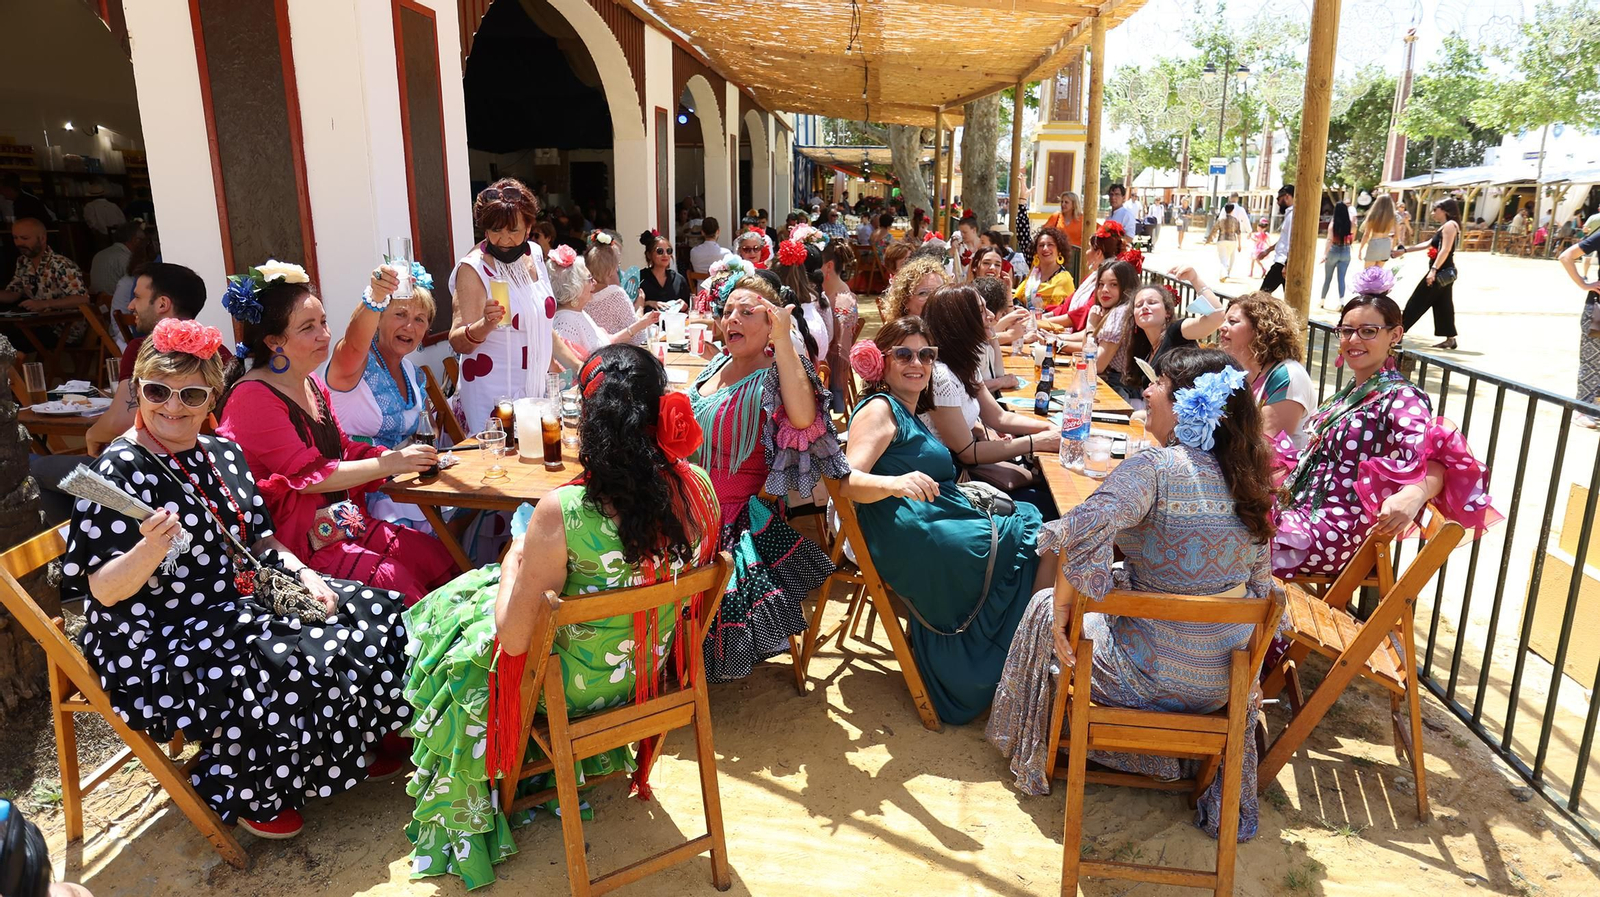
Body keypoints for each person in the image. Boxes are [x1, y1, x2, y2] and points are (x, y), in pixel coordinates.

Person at [62, 317, 413, 839]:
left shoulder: (221, 453)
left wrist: (299, 572)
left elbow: (261, 538)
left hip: (238, 595)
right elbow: (104, 590)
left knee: (375, 609)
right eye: (157, 390)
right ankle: (250, 788)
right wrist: (150, 547)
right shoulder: (117, 472)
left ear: (212, 399)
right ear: (138, 390)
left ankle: (352, 742)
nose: (173, 406)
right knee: (283, 655)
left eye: (191, 394)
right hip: (156, 631)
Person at [402, 344, 721, 888]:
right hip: (645, 678)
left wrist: (513, 557)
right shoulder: (697, 489)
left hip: (566, 692)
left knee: (452, 622)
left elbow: (515, 638)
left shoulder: (564, 513)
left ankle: (480, 788)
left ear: (591, 424)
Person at [987, 348, 1279, 841]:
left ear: (1186, 405)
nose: (1145, 391)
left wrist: (1061, 608)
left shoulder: (1157, 470)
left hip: (1147, 679)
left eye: (1158, 383)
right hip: (1223, 685)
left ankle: (1041, 748)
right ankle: (1174, 759)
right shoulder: (1249, 477)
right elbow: (1262, 586)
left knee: (1042, 608)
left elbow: (1080, 526)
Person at [842, 317, 1054, 723]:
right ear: (879, 361)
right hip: (913, 531)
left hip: (932, 518)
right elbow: (848, 480)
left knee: (1045, 538)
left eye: (926, 354)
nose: (916, 363)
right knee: (1044, 540)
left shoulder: (906, 409)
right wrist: (896, 482)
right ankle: (1023, 664)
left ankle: (1019, 659)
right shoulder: (879, 409)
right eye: (903, 354)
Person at [217, 259, 457, 604]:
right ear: (273, 341)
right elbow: (312, 477)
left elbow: (342, 449)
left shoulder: (311, 384)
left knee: (432, 555)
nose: (324, 335)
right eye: (308, 328)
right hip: (297, 544)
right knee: (399, 582)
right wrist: (391, 465)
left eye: (324, 322)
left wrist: (396, 458)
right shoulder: (252, 397)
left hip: (342, 525)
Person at [1274, 288, 1498, 579]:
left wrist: (1415, 494)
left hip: (1332, 531)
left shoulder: (1402, 398)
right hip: (1300, 513)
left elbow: (1436, 459)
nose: (1353, 340)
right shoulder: (1358, 390)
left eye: (1368, 331)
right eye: (1346, 331)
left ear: (1395, 335)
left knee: (1228, 542)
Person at [688, 270, 847, 681]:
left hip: (722, 517)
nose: (732, 319)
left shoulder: (775, 377)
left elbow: (804, 417)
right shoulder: (717, 365)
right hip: (685, 499)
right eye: (727, 312)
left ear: (771, 323)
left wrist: (784, 341)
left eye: (746, 312)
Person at [448, 179, 579, 434]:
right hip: (494, 396)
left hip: (534, 389)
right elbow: (458, 341)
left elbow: (541, 325)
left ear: (530, 227)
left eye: (513, 230)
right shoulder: (473, 269)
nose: (504, 239)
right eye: (495, 230)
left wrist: (578, 365)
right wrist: (485, 325)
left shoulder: (534, 254)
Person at [919, 285, 1061, 511]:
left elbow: (999, 417)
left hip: (971, 471)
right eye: (982, 311)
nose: (992, 316)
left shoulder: (964, 363)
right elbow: (967, 453)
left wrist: (1050, 428)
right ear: (960, 321)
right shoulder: (941, 377)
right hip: (951, 486)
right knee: (1051, 505)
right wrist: (1037, 442)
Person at [322, 263, 438, 533]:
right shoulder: (354, 365)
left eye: (420, 319)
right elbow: (352, 343)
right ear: (379, 320)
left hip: (406, 487)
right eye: (400, 314)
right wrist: (374, 296)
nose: (410, 326)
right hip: (359, 495)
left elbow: (427, 430)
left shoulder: (411, 372)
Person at [84, 263, 222, 455]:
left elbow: (120, 422)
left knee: (40, 467)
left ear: (162, 304)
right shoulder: (216, 351)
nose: (130, 305)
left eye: (138, 297)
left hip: (154, 463)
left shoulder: (143, 349)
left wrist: (91, 436)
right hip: (206, 457)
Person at [1215, 287, 1314, 449]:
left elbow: (1267, 445)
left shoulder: (1287, 375)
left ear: (1259, 330)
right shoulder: (1236, 371)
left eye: (1232, 322)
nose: (1222, 327)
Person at [1121, 272, 1227, 398]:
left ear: (1168, 312)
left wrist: (1194, 279)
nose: (1144, 307)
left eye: (1152, 302)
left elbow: (1217, 317)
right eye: (1139, 305)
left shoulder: (1177, 331)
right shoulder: (1144, 350)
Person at [548, 245, 658, 360]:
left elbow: (607, 342)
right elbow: (564, 370)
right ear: (576, 286)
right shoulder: (566, 321)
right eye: (590, 279)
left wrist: (642, 323)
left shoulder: (579, 313)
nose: (595, 283)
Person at [1397, 197, 1462, 350]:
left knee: (1417, 301)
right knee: (1443, 305)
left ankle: (1398, 332)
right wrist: (1404, 250)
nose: (1433, 213)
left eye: (1435, 210)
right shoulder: (1445, 226)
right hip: (1443, 271)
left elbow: (1445, 249)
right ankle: (1450, 339)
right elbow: (1428, 244)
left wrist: (1433, 271)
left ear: (1444, 210)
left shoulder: (1450, 226)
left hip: (1440, 271)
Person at [1558, 223, 1600, 427]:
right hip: (1598, 310)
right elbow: (1566, 256)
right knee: (1592, 362)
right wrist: (1584, 284)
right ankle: (1583, 409)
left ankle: (1596, 407)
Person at [1, 218, 87, 310]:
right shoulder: (23, 261)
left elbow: (82, 299)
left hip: (65, 321)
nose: (19, 243)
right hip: (38, 321)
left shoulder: (60, 264)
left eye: (25, 238)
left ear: (42, 238)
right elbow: (14, 292)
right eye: (15, 238)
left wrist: (45, 304)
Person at [581, 230, 647, 347]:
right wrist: (640, 307)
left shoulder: (582, 294)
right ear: (612, 269)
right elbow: (637, 336)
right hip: (618, 353)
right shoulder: (616, 295)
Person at [819, 239, 860, 410]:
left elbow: (841, 349)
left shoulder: (844, 300)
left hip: (830, 367)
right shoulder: (821, 291)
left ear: (828, 266)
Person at [1012, 226, 1075, 309]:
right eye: (1041, 245)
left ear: (1059, 250)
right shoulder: (1033, 275)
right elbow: (1017, 299)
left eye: (1050, 245)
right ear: (1036, 251)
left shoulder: (1064, 279)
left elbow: (1064, 310)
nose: (1045, 248)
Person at [638, 230, 690, 311]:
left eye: (668, 251)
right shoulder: (639, 278)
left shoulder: (679, 280)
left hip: (674, 323)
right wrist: (648, 303)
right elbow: (629, 307)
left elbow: (689, 308)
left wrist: (685, 306)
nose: (665, 255)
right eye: (660, 251)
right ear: (649, 255)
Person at [89, 221, 144, 296]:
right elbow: (138, 286)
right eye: (142, 240)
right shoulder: (127, 257)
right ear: (135, 240)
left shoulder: (99, 254)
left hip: (98, 303)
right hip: (116, 303)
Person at [1257, 185, 1295, 294]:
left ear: (1287, 196)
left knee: (1262, 296)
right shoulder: (1289, 215)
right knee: (1289, 299)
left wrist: (1287, 265)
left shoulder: (1292, 216)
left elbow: (1291, 243)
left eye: (1279, 199)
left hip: (1282, 263)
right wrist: (1268, 250)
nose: (1278, 202)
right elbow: (1284, 240)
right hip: (1283, 262)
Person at [886, 256, 947, 320]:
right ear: (905, 301)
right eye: (923, 293)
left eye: (939, 291)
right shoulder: (901, 329)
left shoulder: (952, 327)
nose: (933, 298)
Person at [1321, 200, 1354, 306]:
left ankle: (1322, 300)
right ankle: (1341, 302)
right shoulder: (1350, 224)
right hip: (1346, 250)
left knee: (1327, 278)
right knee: (1341, 279)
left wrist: (1325, 254)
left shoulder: (1333, 224)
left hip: (1334, 250)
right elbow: (1352, 236)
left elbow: (1329, 240)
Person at [1360, 194, 1397, 270]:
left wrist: (1360, 249)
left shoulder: (1372, 215)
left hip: (1375, 243)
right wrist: (1392, 248)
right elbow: (1397, 235)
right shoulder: (1394, 216)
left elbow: (1366, 234)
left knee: (1368, 273)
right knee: (1378, 273)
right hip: (1386, 244)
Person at [1215, 202, 1242, 281]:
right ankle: (1224, 274)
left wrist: (1208, 240)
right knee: (1226, 258)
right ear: (1232, 210)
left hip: (1222, 240)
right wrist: (1240, 245)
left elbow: (1214, 230)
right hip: (1232, 241)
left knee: (1223, 258)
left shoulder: (1221, 220)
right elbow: (1239, 233)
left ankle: (1224, 274)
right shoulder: (1235, 220)